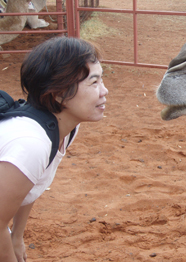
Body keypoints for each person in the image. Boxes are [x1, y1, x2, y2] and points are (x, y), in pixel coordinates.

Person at [0, 37, 108, 262]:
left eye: (102, 80)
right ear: (58, 94)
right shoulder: (31, 143)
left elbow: (33, 185)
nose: (104, 91)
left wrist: (17, 237)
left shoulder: (65, 128)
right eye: (94, 82)